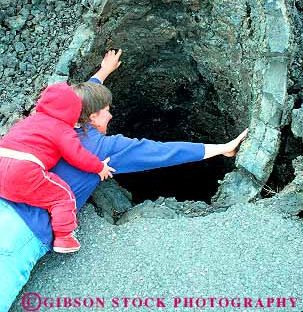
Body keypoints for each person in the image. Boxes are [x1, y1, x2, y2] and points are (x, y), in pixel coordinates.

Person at [0, 49, 248, 311]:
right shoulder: (103, 148)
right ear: (92, 116)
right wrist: (222, 148)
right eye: (107, 110)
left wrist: (103, 72)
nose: (111, 115)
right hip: (22, 230)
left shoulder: (48, 123)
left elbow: (81, 98)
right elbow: (162, 152)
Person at [0, 81, 115, 254]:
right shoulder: (62, 129)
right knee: (62, 196)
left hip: (3, 157)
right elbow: (78, 155)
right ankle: (63, 237)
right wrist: (99, 167)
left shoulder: (30, 120)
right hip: (25, 168)